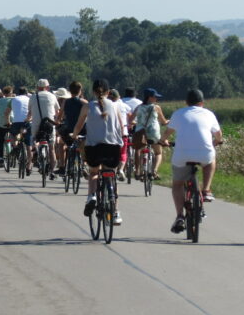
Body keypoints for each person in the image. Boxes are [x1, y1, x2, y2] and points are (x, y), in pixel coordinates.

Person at [160, 89, 223, 234]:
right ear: (202, 102)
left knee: (177, 185)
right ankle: (206, 190)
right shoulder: (209, 114)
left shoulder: (178, 113)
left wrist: (163, 141)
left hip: (182, 155)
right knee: (210, 161)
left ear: (186, 102)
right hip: (204, 153)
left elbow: (167, 133)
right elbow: (218, 135)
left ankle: (180, 216)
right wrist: (217, 142)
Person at [71, 79, 124, 225]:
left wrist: (74, 135)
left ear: (93, 92)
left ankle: (92, 196)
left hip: (94, 148)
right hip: (112, 147)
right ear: (108, 92)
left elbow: (79, 125)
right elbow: (121, 126)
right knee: (111, 175)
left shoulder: (87, 106)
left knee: (94, 173)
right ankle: (114, 212)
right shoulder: (115, 105)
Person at [26, 78, 60, 178]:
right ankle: (52, 171)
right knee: (51, 148)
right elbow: (57, 112)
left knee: (33, 139)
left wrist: (27, 119)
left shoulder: (33, 97)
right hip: (49, 124)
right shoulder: (52, 96)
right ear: (47, 87)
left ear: (37, 87)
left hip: (36, 124)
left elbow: (30, 112)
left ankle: (35, 153)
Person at [132, 87, 168, 179]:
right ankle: (154, 171)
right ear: (150, 97)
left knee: (139, 150)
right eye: (155, 97)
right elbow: (163, 121)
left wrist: (137, 123)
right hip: (153, 132)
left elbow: (130, 120)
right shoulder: (156, 107)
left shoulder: (138, 107)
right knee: (158, 153)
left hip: (140, 133)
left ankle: (138, 171)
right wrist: (168, 121)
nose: (156, 99)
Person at [57, 82, 87, 173]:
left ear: (69, 91)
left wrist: (58, 122)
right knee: (85, 146)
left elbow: (59, 116)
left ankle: (62, 166)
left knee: (61, 144)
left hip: (69, 130)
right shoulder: (84, 102)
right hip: (82, 130)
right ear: (80, 90)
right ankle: (85, 165)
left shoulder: (65, 102)